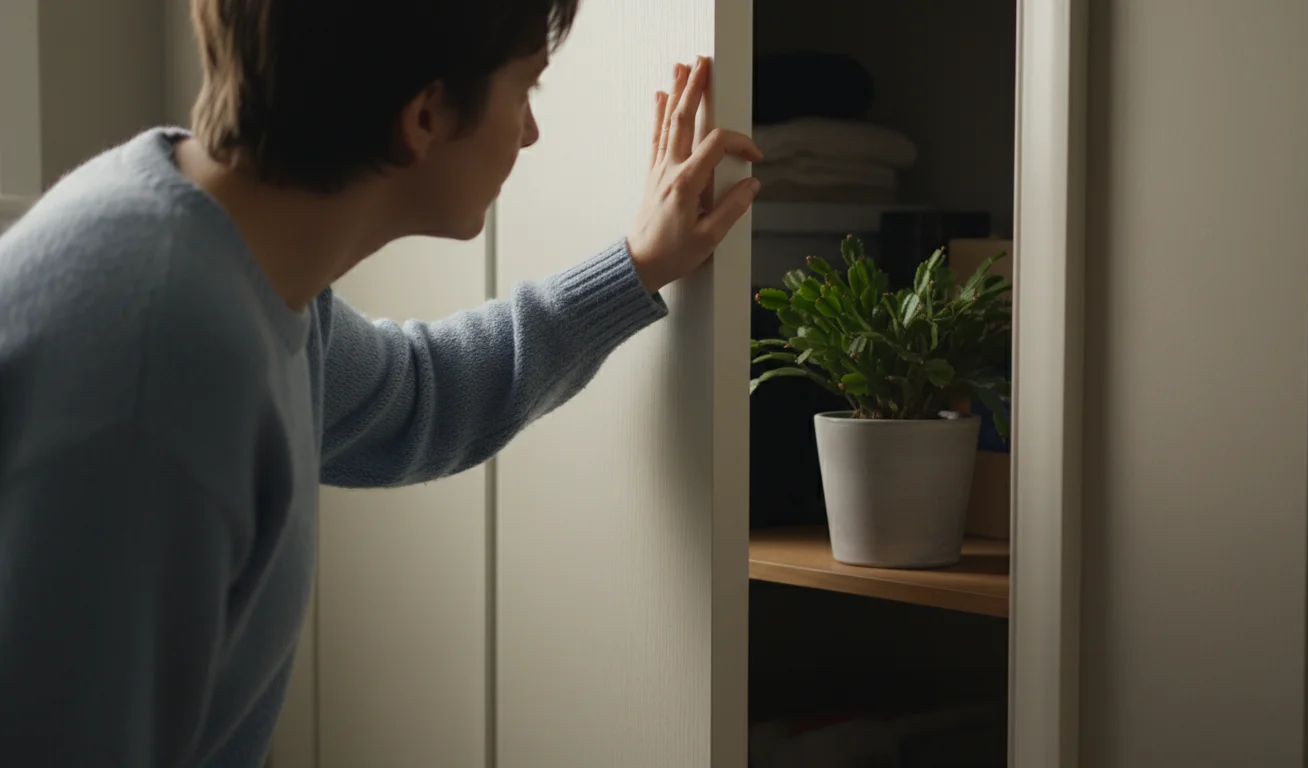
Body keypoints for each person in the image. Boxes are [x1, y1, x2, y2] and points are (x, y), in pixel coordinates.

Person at [0, 0, 763, 764]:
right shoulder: (155, 369)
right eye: (525, 90)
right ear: (426, 116)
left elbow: (421, 398)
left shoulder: (238, 264)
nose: (530, 132)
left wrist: (635, 265)